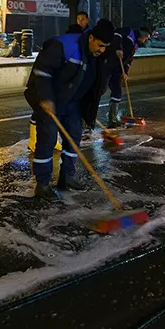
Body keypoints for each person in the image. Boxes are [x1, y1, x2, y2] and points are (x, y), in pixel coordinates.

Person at [25, 19, 115, 200]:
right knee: (48, 139)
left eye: (106, 47)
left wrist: (87, 110)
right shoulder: (66, 45)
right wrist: (46, 98)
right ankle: (42, 184)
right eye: (100, 45)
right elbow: (43, 71)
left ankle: (67, 177)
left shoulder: (95, 55)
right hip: (49, 99)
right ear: (90, 38)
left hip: (71, 102)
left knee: (74, 134)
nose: (102, 50)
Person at [28, 23, 88, 153]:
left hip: (48, 90)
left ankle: (50, 142)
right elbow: (42, 72)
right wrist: (46, 96)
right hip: (38, 89)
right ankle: (33, 142)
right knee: (41, 115)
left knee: (48, 117)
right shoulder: (59, 46)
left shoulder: (66, 46)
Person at [105, 27, 151, 127]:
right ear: (142, 34)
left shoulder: (136, 45)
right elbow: (116, 34)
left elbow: (129, 60)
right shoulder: (128, 32)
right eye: (146, 37)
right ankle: (87, 121)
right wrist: (118, 48)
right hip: (108, 63)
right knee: (101, 88)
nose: (145, 40)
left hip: (118, 68)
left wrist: (125, 72)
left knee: (117, 91)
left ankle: (112, 119)